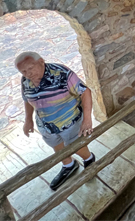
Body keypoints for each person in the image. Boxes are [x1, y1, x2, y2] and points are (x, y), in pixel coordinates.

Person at [15, 51, 96, 190]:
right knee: (56, 144)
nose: (28, 73)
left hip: (70, 121)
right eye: (23, 71)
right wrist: (28, 120)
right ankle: (68, 165)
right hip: (46, 125)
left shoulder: (62, 73)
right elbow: (27, 100)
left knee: (76, 145)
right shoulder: (25, 81)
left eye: (31, 68)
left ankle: (89, 159)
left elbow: (85, 91)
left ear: (41, 61)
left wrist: (87, 120)